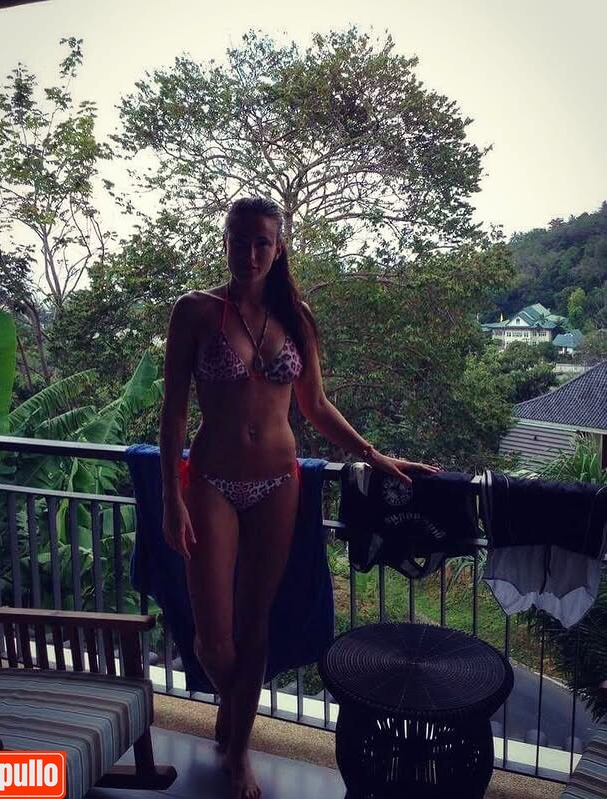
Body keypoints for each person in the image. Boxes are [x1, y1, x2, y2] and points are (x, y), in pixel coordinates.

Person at [159, 196, 440, 799]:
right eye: (239, 240)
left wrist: (373, 454)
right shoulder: (196, 311)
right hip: (210, 481)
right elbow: (174, 410)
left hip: (278, 482)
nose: (249, 253)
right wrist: (169, 496)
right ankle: (234, 708)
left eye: (262, 242)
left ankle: (238, 750)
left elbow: (313, 404)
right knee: (214, 640)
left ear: (278, 246)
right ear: (225, 240)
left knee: (255, 623)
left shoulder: (296, 316)